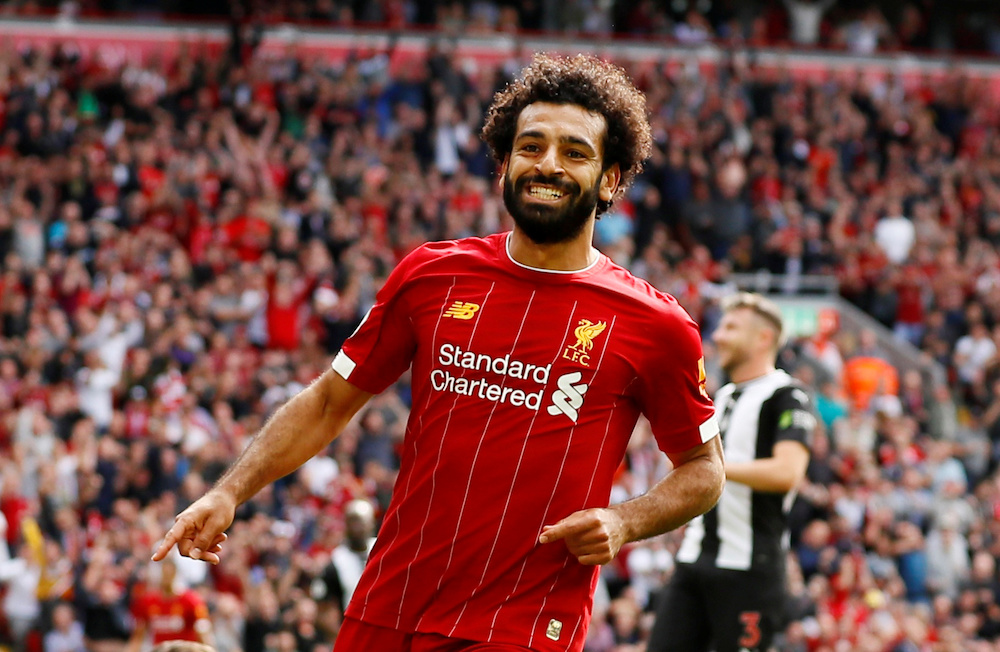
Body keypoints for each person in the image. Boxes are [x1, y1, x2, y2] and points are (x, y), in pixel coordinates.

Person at [152, 53, 725, 652]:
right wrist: (227, 491)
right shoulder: (433, 276)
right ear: (504, 163)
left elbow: (704, 471)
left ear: (609, 179)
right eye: (531, 147)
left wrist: (623, 521)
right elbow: (328, 403)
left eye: (575, 152)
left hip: (519, 625)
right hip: (388, 603)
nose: (548, 164)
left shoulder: (655, 325)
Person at [648, 292, 814, 652]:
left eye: (731, 327)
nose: (719, 336)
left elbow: (788, 472)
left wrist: (710, 468)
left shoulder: (787, 395)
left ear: (763, 338)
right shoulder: (718, 397)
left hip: (750, 569)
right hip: (694, 560)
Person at [128, 556, 214, 652]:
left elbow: (203, 632)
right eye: (164, 573)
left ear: (176, 574)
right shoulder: (147, 602)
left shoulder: (191, 601)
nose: (167, 577)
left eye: (170, 573)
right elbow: (138, 637)